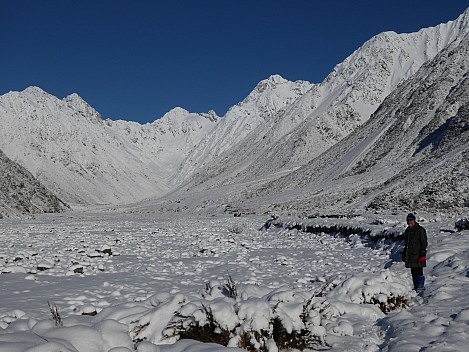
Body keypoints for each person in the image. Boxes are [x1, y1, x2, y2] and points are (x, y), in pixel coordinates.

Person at [401, 213, 428, 295]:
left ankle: (420, 287)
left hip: (418, 255)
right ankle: (416, 287)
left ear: (414, 220)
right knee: (413, 272)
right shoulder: (407, 231)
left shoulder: (420, 230)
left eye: (411, 220)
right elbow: (406, 245)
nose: (409, 222)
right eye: (408, 220)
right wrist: (404, 254)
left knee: (419, 271)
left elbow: (424, 242)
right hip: (410, 256)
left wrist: (422, 254)